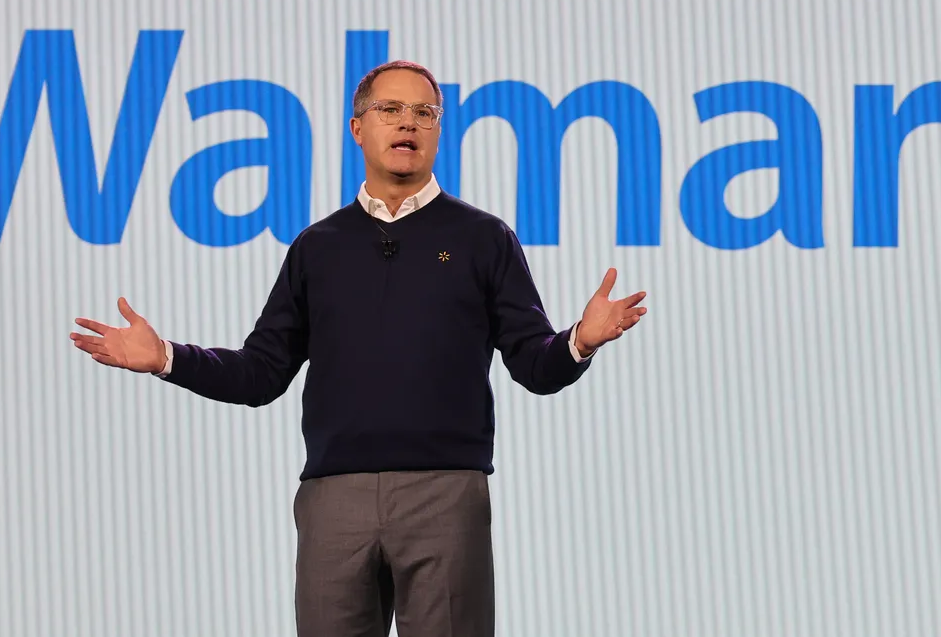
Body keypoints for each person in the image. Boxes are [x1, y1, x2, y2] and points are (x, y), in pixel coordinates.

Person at [70, 60, 647, 637]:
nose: (409, 124)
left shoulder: (483, 237)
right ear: (357, 128)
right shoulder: (317, 247)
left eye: (425, 113)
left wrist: (579, 341)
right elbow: (260, 373)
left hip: (446, 495)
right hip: (332, 499)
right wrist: (167, 357)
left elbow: (534, 364)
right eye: (390, 109)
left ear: (439, 131)